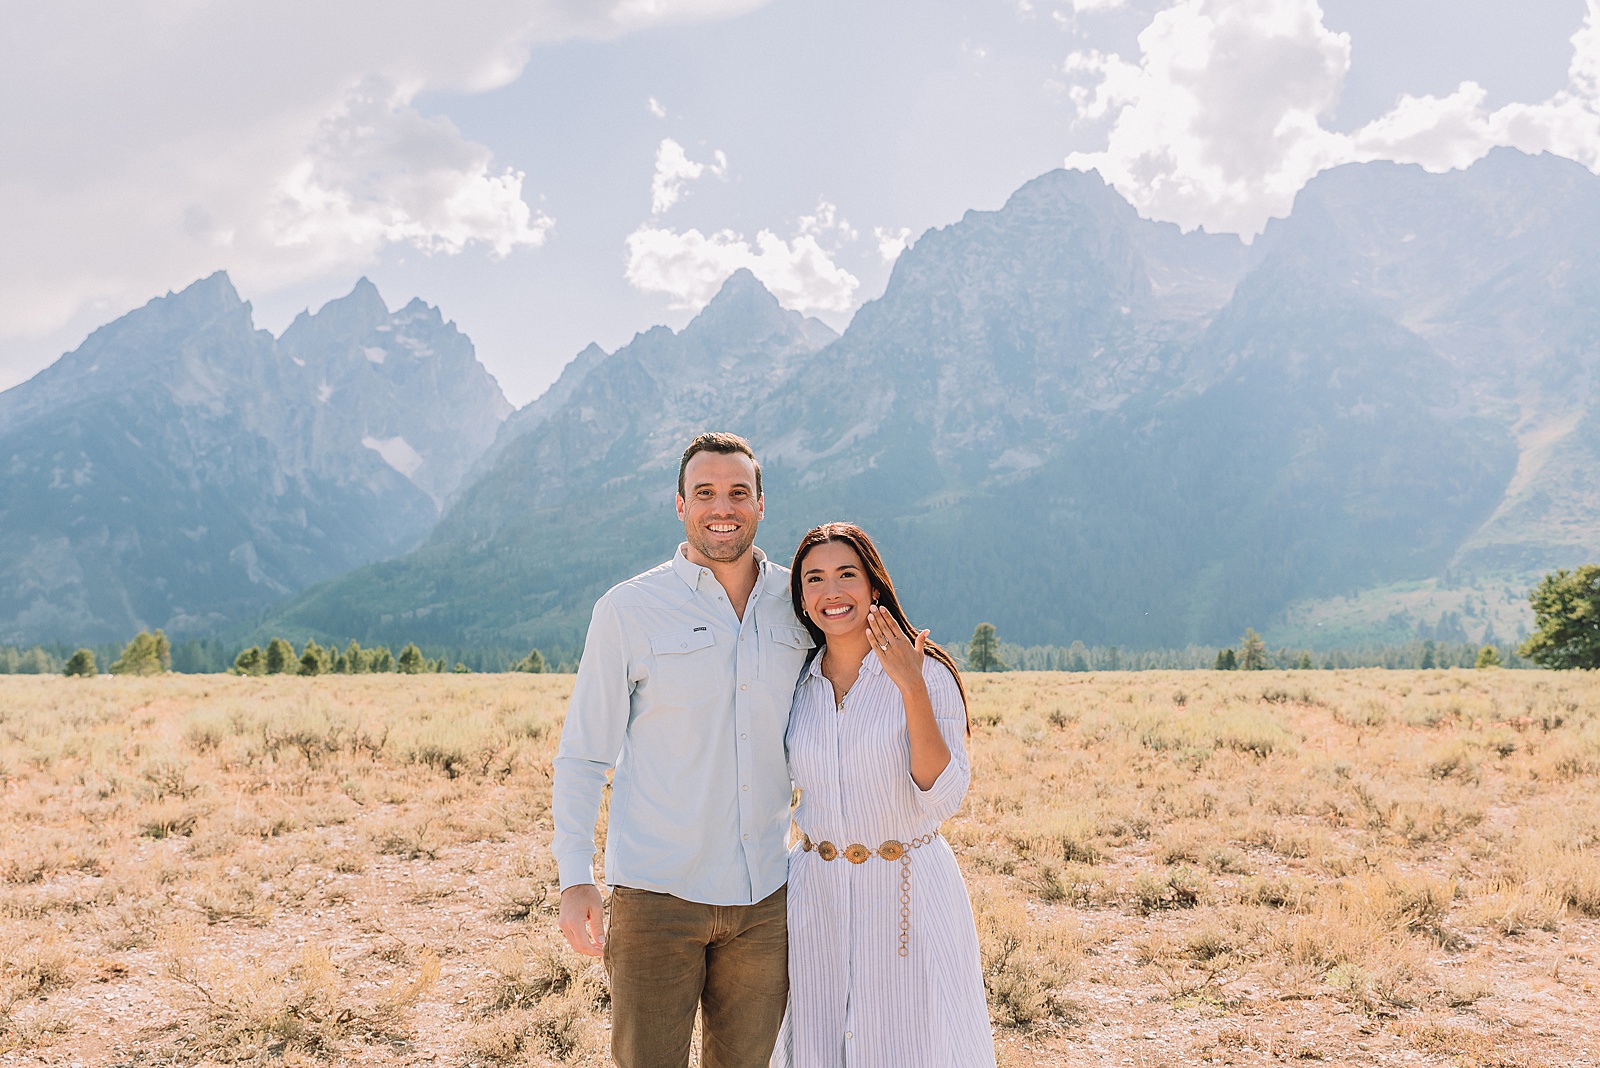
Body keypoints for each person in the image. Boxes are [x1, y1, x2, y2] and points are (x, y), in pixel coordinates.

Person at [552, 432, 816, 1068]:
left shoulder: (798, 602)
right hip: (656, 899)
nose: (721, 507)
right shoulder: (629, 609)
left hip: (765, 902)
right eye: (705, 493)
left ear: (760, 504)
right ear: (679, 505)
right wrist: (574, 878)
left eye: (737, 492)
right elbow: (584, 754)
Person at [773, 522, 995, 1068]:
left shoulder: (927, 671)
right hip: (814, 897)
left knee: (912, 1040)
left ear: (874, 586)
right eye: (814, 579)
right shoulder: (794, 682)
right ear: (802, 598)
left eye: (846, 575)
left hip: (907, 893)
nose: (832, 592)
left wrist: (910, 684)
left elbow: (941, 796)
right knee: (820, 1038)